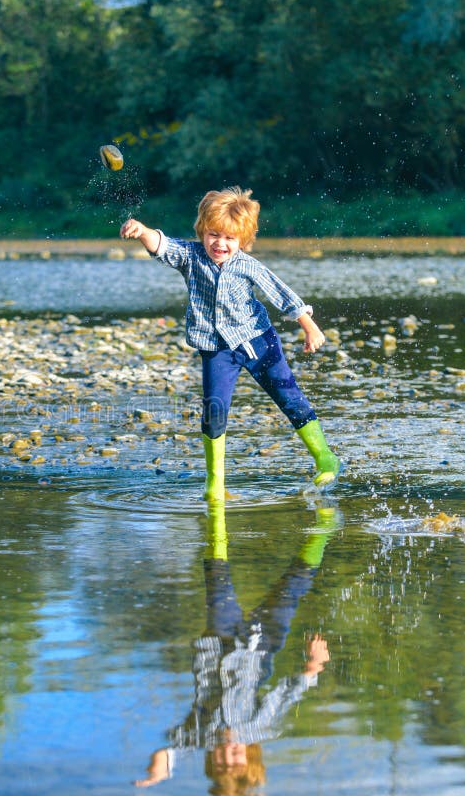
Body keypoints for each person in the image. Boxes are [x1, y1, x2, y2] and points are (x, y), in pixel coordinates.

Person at [120, 187, 340, 501]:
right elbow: (163, 246)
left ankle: (325, 457)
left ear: (243, 240)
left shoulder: (248, 265)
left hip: (257, 341)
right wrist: (142, 231)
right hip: (215, 349)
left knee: (287, 395)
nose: (220, 244)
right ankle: (215, 483)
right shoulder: (191, 257)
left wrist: (309, 327)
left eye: (229, 238)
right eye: (213, 235)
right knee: (214, 411)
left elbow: (280, 293)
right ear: (202, 231)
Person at [134, 500, 339, 792]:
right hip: (260, 642)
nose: (226, 754)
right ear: (251, 753)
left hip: (217, 642)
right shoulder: (259, 728)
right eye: (236, 759)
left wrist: (160, 769)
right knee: (290, 589)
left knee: (217, 583)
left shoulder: (199, 736)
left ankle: (214, 514)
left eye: (219, 763)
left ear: (210, 760)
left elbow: (170, 751)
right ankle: (324, 527)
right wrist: (312, 668)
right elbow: (283, 696)